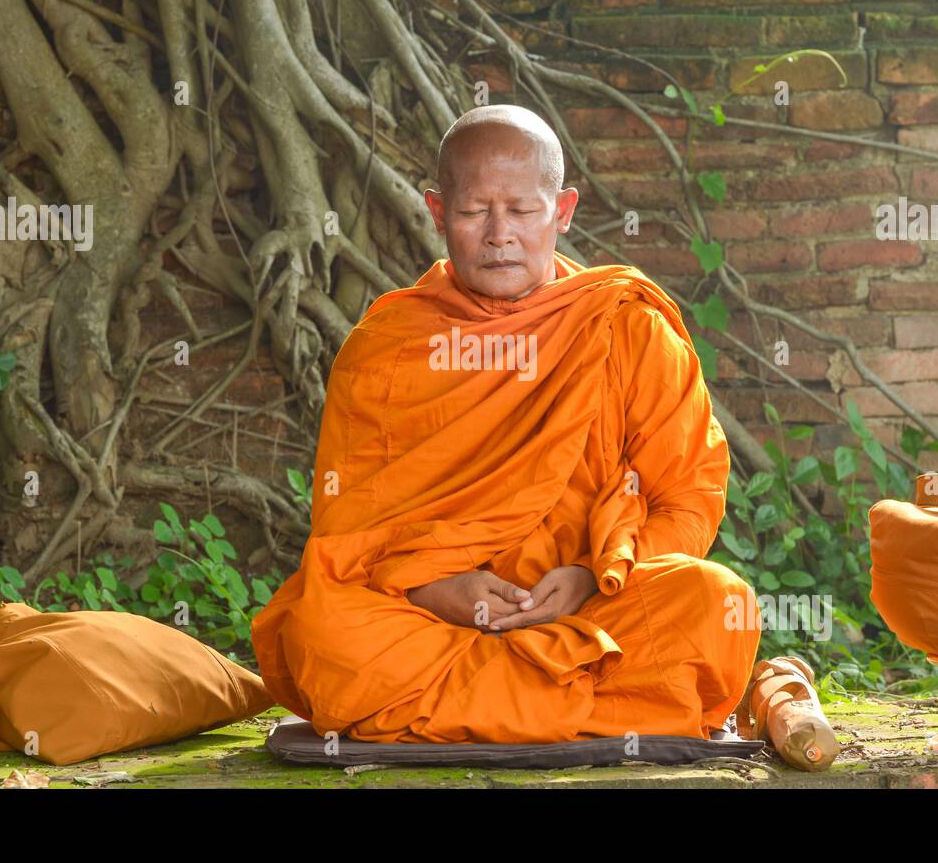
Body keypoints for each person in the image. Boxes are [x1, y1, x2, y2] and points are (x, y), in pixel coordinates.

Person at [250, 104, 761, 743]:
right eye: (472, 213)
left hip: (591, 607)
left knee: (716, 603)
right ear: (438, 214)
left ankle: (475, 710)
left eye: (522, 211)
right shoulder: (391, 347)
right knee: (323, 633)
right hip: (436, 620)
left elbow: (686, 500)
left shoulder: (624, 327)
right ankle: (582, 710)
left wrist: (588, 580)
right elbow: (347, 533)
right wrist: (435, 588)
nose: (499, 235)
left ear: (563, 211)